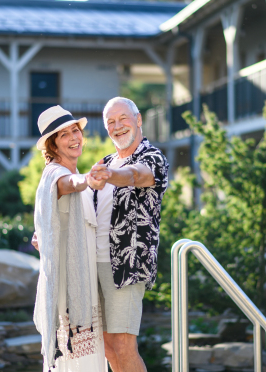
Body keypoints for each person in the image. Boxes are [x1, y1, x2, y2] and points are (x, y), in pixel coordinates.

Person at [87, 97, 169, 372]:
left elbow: (135, 176)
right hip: (93, 262)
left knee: (124, 345)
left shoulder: (152, 157)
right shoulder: (105, 162)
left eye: (123, 118)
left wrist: (110, 174)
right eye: (110, 122)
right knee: (107, 347)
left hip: (127, 265)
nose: (117, 126)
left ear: (138, 120)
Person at [32, 105, 107, 372]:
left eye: (76, 131)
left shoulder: (72, 175)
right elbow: (67, 185)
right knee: (74, 360)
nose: (74, 137)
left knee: (87, 358)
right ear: (52, 146)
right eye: (64, 135)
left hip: (83, 280)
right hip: (68, 285)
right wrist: (86, 180)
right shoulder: (57, 175)